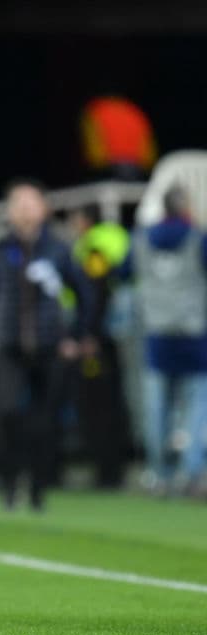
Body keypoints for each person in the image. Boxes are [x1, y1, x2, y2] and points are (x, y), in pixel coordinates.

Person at [0, 179, 93, 511]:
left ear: (44, 209)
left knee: (45, 421)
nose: (24, 208)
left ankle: (39, 490)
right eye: (18, 202)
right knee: (8, 413)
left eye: (31, 201)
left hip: (50, 347)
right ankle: (9, 485)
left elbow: (85, 293)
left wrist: (76, 337)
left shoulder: (58, 250)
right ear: (9, 211)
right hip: (8, 347)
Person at [121, 185, 207, 496]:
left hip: (156, 333)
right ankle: (191, 471)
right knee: (197, 407)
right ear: (185, 208)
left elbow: (123, 272)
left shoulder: (142, 238)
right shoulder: (198, 238)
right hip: (194, 335)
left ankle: (158, 473)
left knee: (156, 409)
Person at [68, 205, 134, 488]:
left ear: (85, 221)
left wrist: (90, 334)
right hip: (116, 333)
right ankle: (112, 467)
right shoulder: (116, 236)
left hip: (100, 338)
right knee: (111, 399)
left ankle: (107, 470)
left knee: (99, 402)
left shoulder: (94, 247)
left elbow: (96, 289)